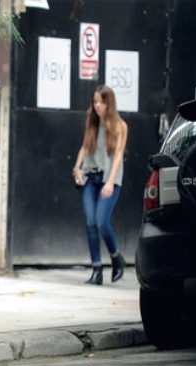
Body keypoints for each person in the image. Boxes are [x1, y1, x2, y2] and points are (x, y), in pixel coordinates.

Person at [73, 84, 128, 286]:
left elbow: (119, 155)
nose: (97, 106)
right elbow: (84, 147)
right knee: (90, 222)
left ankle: (116, 257)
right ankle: (96, 269)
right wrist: (77, 168)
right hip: (90, 177)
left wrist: (110, 181)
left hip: (109, 179)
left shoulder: (120, 126)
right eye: (95, 101)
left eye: (101, 102)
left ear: (109, 103)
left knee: (101, 222)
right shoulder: (92, 123)